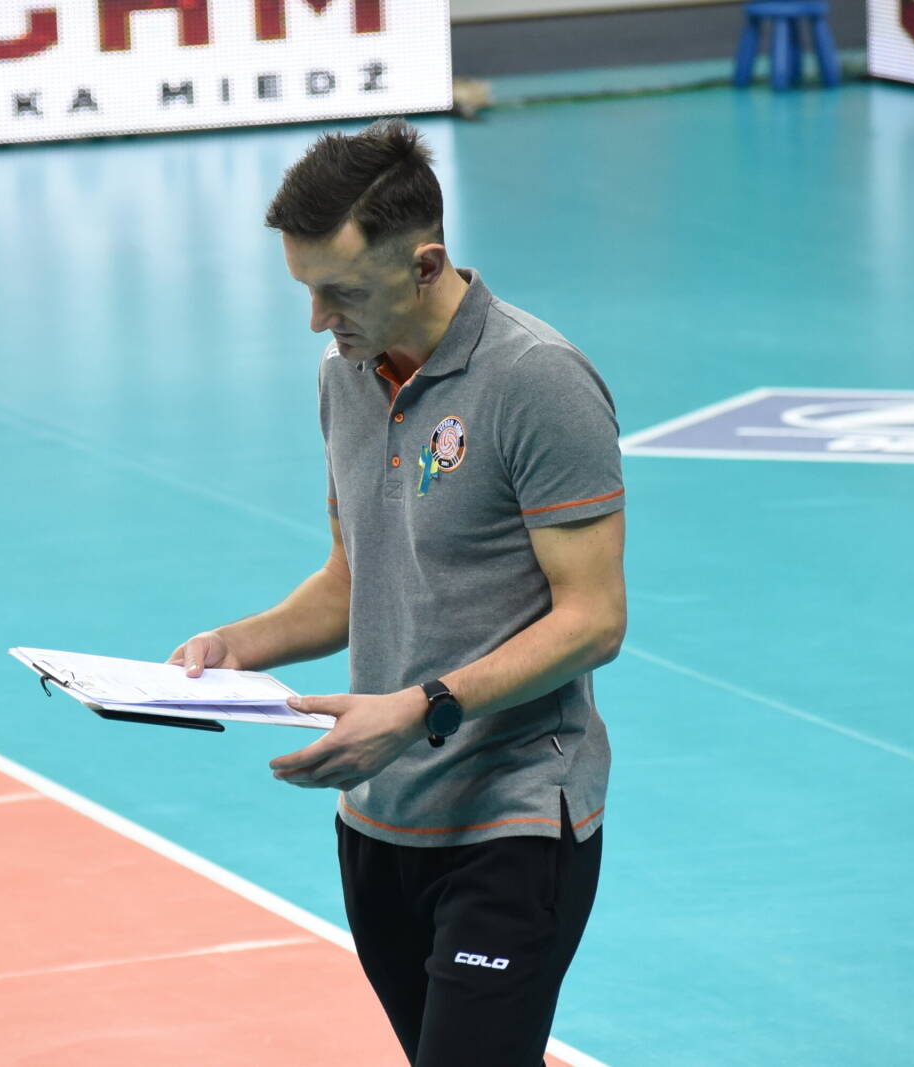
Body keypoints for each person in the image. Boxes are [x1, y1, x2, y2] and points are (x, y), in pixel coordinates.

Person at [168, 118, 626, 1066]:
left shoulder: (539, 381)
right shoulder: (345, 376)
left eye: (339, 291)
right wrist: (234, 646)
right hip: (379, 821)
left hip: (513, 815)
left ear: (426, 263)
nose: (316, 319)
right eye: (305, 290)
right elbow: (354, 578)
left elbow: (594, 619)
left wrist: (421, 708)